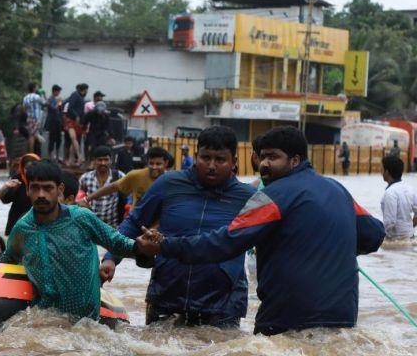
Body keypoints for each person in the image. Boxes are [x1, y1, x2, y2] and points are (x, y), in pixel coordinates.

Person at [142, 126, 385, 335]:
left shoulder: (271, 196)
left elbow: (226, 243)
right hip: (342, 316)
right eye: (262, 157)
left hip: (286, 318)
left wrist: (166, 244)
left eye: (273, 157)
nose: (264, 164)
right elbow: (374, 235)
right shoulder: (337, 190)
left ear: (295, 160)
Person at [101, 126, 255, 328]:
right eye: (205, 157)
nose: (211, 165)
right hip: (167, 294)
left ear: (234, 161)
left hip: (223, 304)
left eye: (220, 160)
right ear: (196, 155)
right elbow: (134, 222)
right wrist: (111, 258)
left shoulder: (248, 197)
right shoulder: (169, 184)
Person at [0, 160, 159, 321]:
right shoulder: (22, 228)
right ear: (27, 190)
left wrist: (140, 246)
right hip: (45, 324)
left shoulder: (81, 218)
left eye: (48, 188)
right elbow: (6, 261)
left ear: (59, 189)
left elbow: (116, 242)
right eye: (35, 188)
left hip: (86, 325)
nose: (41, 194)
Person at [78, 147, 169, 212]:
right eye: (151, 163)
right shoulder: (135, 175)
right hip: (135, 222)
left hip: (113, 225)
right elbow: (113, 187)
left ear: (166, 163)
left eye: (158, 164)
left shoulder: (171, 181)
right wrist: (86, 199)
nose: (154, 167)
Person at [78, 146, 125, 227]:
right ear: (94, 161)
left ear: (111, 161)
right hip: (90, 226)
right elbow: (78, 198)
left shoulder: (119, 176)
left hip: (112, 227)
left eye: (106, 160)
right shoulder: (85, 178)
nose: (103, 163)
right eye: (100, 160)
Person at [0, 153, 41, 235]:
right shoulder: (17, 179)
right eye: (27, 168)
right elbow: (5, 200)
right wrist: (12, 189)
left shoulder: (42, 181)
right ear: (22, 168)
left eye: (32, 167)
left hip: (36, 223)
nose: (29, 171)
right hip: (16, 221)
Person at [381, 155, 417, 240]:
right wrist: (409, 227)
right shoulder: (410, 189)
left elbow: (389, 222)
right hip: (410, 236)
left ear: (387, 172)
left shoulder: (390, 193)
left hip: (394, 239)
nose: (381, 172)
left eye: (382, 169)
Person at [63, 83, 88, 166]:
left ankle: (71, 160)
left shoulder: (81, 97)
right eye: (86, 90)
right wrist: (76, 115)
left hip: (77, 121)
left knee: (74, 141)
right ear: (84, 90)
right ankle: (79, 156)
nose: (86, 92)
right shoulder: (75, 95)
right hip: (71, 120)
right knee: (73, 138)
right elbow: (70, 106)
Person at [22, 82, 46, 154]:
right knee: (32, 136)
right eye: (36, 87)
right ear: (34, 88)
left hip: (29, 118)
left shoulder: (25, 98)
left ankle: (32, 152)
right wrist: (43, 95)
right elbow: (45, 103)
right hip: (36, 119)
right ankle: (31, 153)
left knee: (32, 134)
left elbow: (23, 109)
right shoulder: (37, 97)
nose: (37, 88)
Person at [44, 84, 64, 162]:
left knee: (58, 139)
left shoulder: (57, 99)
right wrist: (58, 102)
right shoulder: (50, 99)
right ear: (54, 91)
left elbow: (60, 110)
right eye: (58, 91)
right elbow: (53, 109)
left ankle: (57, 155)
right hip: (52, 122)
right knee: (52, 138)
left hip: (58, 121)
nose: (59, 93)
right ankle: (50, 155)